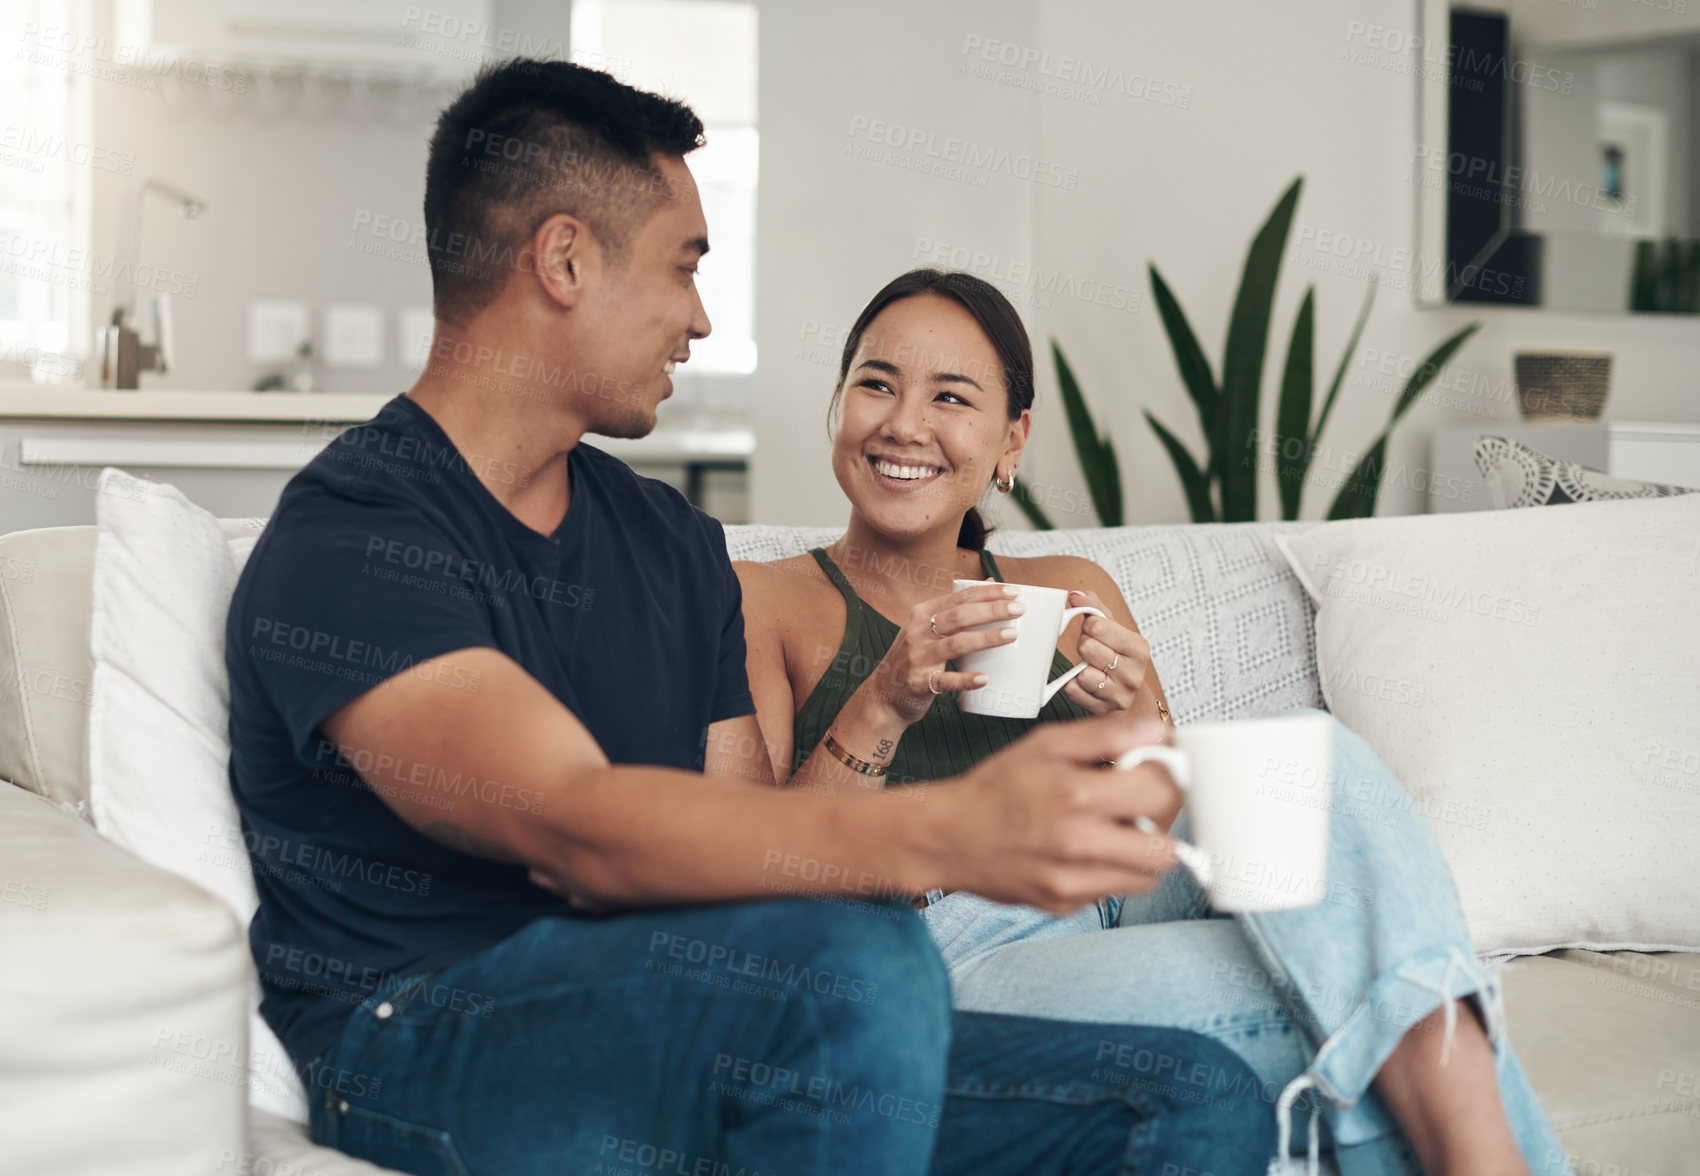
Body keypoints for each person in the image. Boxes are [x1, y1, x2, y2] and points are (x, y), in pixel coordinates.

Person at [225, 60, 1279, 1176]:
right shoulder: (355, 530)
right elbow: (567, 820)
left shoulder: (668, 544)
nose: (700, 319)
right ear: (565, 260)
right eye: (683, 269)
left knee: (1189, 1100)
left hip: (703, 1016)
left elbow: (748, 853)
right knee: (860, 960)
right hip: (431, 1042)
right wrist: (951, 828)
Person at [732, 268, 1574, 1176]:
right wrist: (884, 701)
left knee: (1298, 751)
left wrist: (1141, 721)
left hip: (1124, 901)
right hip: (955, 954)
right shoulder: (765, 602)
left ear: (1011, 440)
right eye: (876, 382)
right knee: (1370, 986)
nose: (904, 423)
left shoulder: (1073, 589)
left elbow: (1181, 830)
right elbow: (757, 883)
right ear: (837, 405)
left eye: (951, 396)